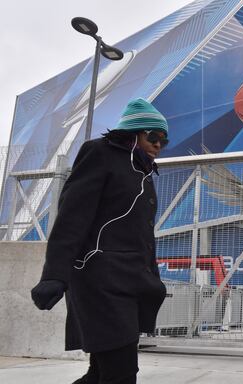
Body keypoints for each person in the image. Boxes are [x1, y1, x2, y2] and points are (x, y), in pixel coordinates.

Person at [30, 98, 169, 384]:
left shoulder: (142, 170)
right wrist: (54, 275)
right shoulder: (100, 153)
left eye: (164, 141)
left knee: (103, 373)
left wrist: (151, 279)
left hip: (130, 282)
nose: (158, 145)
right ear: (134, 132)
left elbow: (141, 234)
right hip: (99, 280)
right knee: (120, 372)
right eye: (153, 136)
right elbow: (71, 217)